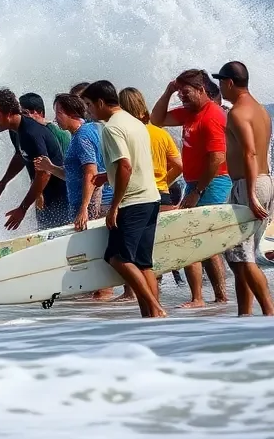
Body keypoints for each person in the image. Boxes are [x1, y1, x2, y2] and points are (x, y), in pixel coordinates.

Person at [82, 80, 165, 318]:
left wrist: (115, 205)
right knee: (143, 262)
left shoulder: (111, 128)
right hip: (151, 198)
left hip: (132, 201)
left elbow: (126, 166)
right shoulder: (136, 123)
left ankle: (156, 309)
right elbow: (134, 163)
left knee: (116, 258)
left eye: (89, 105)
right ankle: (150, 317)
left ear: (100, 102)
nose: (88, 111)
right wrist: (106, 176)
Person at [150, 69, 232, 308]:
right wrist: (169, 91)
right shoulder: (190, 113)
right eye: (180, 93)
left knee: (197, 236)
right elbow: (157, 120)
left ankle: (206, 298)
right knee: (200, 238)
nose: (182, 98)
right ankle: (216, 297)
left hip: (214, 181)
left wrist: (197, 192)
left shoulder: (212, 115)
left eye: (186, 93)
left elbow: (217, 158)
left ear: (201, 90)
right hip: (196, 182)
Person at [33, 92, 114, 301]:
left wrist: (84, 209)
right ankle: (97, 297)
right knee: (91, 254)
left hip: (91, 204)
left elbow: (91, 172)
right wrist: (51, 168)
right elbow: (74, 175)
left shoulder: (83, 136)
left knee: (94, 253)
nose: (55, 118)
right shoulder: (84, 132)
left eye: (58, 112)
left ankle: (103, 300)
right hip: (86, 203)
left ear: (70, 113)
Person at [213, 62, 274, 316]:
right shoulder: (260, 110)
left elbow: (250, 152)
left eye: (220, 82)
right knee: (241, 255)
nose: (220, 87)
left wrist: (249, 192)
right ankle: (244, 315)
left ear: (229, 83)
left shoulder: (238, 112)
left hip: (248, 184)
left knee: (242, 257)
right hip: (265, 180)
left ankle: (269, 313)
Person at [118, 86, 185, 294]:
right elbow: (179, 165)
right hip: (162, 195)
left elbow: (124, 167)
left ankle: (132, 297)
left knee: (132, 252)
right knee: (159, 249)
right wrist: (163, 180)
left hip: (137, 197)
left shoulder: (126, 134)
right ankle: (160, 296)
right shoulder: (159, 133)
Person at [0, 87, 67, 231]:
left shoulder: (31, 133)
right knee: (44, 233)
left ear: (9, 113)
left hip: (60, 196)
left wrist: (22, 208)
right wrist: (3, 182)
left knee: (55, 236)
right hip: (42, 194)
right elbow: (20, 155)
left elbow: (45, 173)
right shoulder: (14, 130)